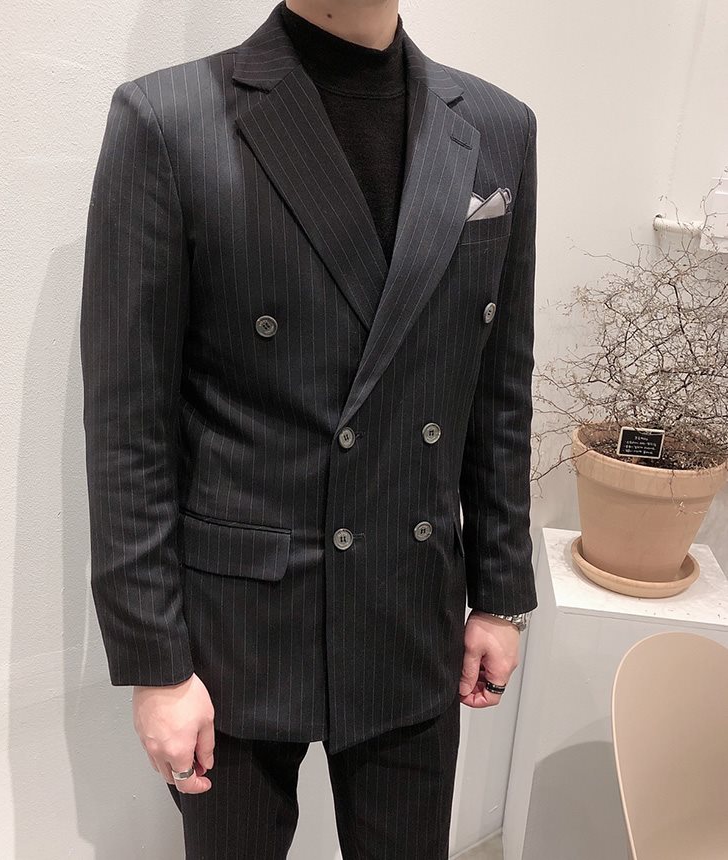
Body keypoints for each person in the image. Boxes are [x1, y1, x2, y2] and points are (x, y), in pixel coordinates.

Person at [80, 0, 538, 855]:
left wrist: (501, 594)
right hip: (236, 632)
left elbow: (499, 386)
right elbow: (127, 426)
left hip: (412, 605)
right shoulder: (168, 120)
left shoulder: (498, 127)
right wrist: (156, 663)